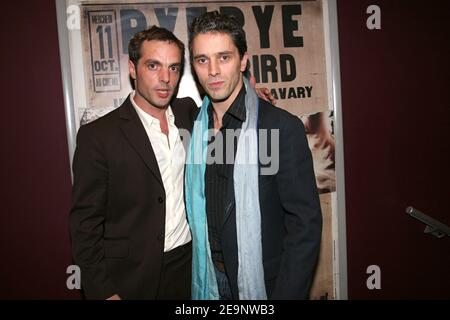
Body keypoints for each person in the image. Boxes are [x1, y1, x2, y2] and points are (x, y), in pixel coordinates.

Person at [185, 11, 322, 300]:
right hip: (207, 278)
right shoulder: (191, 126)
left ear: (244, 60)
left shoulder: (280, 127)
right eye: (202, 59)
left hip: (264, 285)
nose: (213, 71)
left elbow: (305, 226)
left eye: (224, 57)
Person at [69, 26, 197, 299]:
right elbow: (84, 224)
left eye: (174, 68)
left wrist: (252, 98)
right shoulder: (98, 136)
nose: (166, 78)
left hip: (189, 269)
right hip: (131, 278)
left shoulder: (188, 113)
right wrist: (103, 291)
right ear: (132, 68)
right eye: (154, 66)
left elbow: (226, 109)